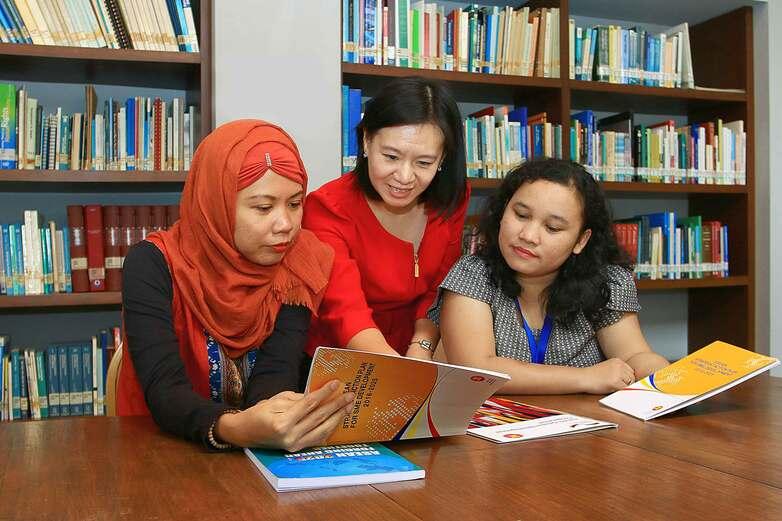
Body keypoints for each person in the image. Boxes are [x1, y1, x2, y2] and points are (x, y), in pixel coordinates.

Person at [118, 119, 354, 451]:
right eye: (263, 207)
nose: (285, 224)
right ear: (218, 204)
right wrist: (235, 428)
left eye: (295, 203)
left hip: (257, 454)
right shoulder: (153, 264)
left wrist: (277, 422)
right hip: (161, 451)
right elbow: (164, 389)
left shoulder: (300, 260)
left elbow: (276, 374)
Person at [429, 159, 669, 394]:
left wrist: (658, 371)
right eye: (521, 215)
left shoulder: (608, 282)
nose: (529, 235)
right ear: (502, 212)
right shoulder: (472, 274)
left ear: (580, 241)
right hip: (492, 427)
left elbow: (633, 356)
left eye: (552, 228)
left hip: (586, 428)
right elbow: (477, 370)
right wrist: (586, 378)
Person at [303, 76, 470, 360]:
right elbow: (346, 310)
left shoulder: (451, 198)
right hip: (342, 355)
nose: (404, 177)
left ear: (443, 159)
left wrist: (421, 346)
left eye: (424, 163)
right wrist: (399, 371)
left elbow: (440, 287)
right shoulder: (327, 208)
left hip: (415, 352)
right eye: (391, 157)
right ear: (367, 141)